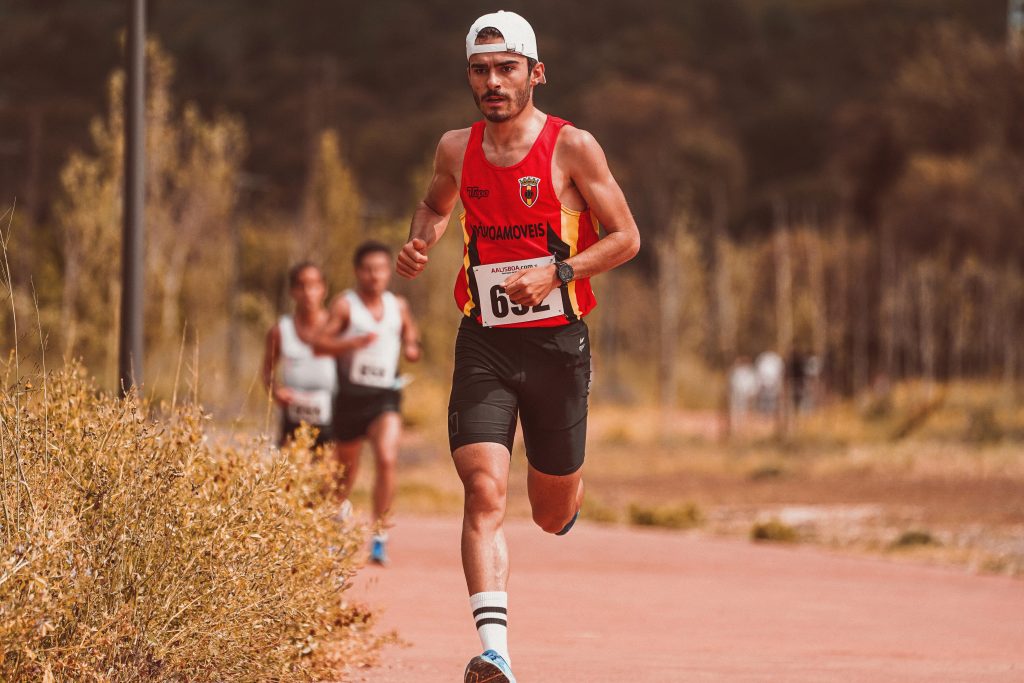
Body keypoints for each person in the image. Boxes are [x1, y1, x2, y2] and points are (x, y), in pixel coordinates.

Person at [396, 11, 640, 683]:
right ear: (469, 76)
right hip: (486, 342)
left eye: (507, 69)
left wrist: (559, 272)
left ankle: (566, 490)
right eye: (481, 70)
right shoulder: (455, 147)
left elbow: (626, 237)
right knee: (482, 488)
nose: (493, 82)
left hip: (559, 344)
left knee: (549, 511)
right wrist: (422, 238)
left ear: (536, 73)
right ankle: (495, 650)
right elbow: (435, 202)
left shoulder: (573, 147)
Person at [309, 240, 420, 565]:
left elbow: (411, 338)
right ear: (358, 272)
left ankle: (379, 537)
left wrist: (413, 348)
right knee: (344, 475)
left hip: (385, 396)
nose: (375, 276)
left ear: (388, 272)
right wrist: (351, 343)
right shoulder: (346, 305)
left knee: (387, 457)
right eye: (369, 270)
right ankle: (330, 531)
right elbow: (318, 344)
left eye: (381, 269)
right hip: (350, 398)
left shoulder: (398, 306)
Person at [262, 262, 337, 449]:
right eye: (301, 286)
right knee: (290, 476)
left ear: (324, 289)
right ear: (292, 291)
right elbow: (267, 373)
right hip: (292, 420)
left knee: (328, 476)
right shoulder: (280, 330)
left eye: (313, 285)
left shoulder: (337, 328)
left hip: (332, 419)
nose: (308, 293)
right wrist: (277, 391)